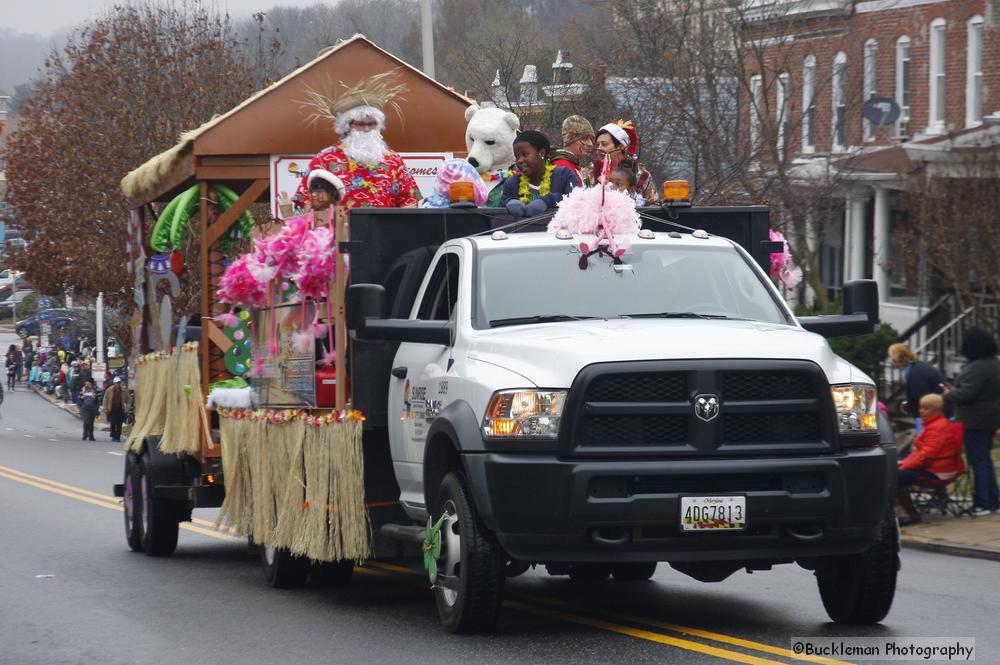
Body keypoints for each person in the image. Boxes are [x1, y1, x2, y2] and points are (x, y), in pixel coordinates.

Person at [293, 73, 420, 211]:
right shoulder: (324, 159)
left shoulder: (394, 160)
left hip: (385, 230)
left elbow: (409, 200)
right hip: (339, 231)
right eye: (360, 124)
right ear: (347, 126)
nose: (366, 129)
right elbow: (307, 201)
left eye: (371, 124)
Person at [942, 327, 1000, 516]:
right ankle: (992, 500)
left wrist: (949, 394)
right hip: (990, 418)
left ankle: (982, 502)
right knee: (985, 460)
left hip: (975, 419)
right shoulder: (993, 364)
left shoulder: (978, 367)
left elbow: (968, 393)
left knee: (978, 461)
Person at [895, 394, 965, 524]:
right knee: (895, 469)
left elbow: (926, 454)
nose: (921, 411)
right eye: (921, 408)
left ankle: (910, 514)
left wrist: (903, 466)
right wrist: (903, 463)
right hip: (933, 465)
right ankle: (901, 510)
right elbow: (922, 453)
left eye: (926, 408)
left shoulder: (937, 427)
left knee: (895, 476)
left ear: (936, 410)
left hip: (938, 471)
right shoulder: (933, 425)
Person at [500, 130, 578, 218]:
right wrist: (509, 202)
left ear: (541, 153)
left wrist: (547, 201)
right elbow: (501, 211)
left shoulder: (564, 175)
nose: (519, 160)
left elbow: (576, 200)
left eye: (524, 154)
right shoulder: (512, 183)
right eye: (517, 156)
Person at [593, 119, 660, 204]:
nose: (599, 148)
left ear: (620, 147)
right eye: (597, 145)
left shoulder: (640, 174)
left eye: (604, 144)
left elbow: (654, 204)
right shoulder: (592, 170)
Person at [888, 342, 948, 433]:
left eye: (892, 359)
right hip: (937, 412)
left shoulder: (915, 374)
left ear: (898, 360)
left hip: (932, 417)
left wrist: (910, 407)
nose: (892, 363)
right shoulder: (917, 368)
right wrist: (909, 404)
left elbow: (922, 400)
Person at [549, 115, 595, 187]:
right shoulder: (562, 167)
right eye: (584, 138)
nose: (590, 144)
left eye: (590, 139)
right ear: (569, 139)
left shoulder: (572, 165)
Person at [102, 376, 131, 443]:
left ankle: (117, 437)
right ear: (114, 383)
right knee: (113, 422)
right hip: (112, 408)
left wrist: (127, 408)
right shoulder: (109, 390)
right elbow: (105, 399)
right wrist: (105, 408)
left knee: (119, 424)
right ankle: (113, 435)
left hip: (120, 408)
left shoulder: (124, 390)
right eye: (116, 383)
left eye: (118, 383)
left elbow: (128, 400)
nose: (117, 384)